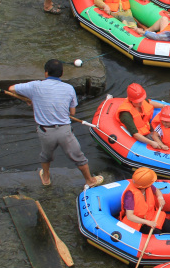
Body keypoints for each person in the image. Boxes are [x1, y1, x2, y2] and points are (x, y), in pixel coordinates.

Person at [10, 59, 103, 190]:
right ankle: (90, 180)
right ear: (62, 73)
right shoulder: (69, 88)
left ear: (46, 73)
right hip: (65, 131)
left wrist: (30, 98)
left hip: (45, 131)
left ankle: (46, 178)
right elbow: (72, 112)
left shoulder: (35, 86)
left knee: (46, 155)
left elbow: (12, 89)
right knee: (79, 157)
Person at [120, 167, 170, 235]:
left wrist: (160, 198)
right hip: (138, 222)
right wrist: (147, 222)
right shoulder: (130, 195)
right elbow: (130, 216)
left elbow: (157, 191)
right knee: (156, 233)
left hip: (150, 216)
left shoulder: (147, 186)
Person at [118, 83, 163, 149]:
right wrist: (152, 143)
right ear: (131, 100)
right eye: (138, 101)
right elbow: (135, 134)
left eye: (141, 100)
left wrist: (163, 106)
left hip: (146, 128)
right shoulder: (125, 114)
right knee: (159, 143)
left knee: (166, 132)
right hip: (141, 136)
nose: (141, 103)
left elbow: (148, 102)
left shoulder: (140, 101)